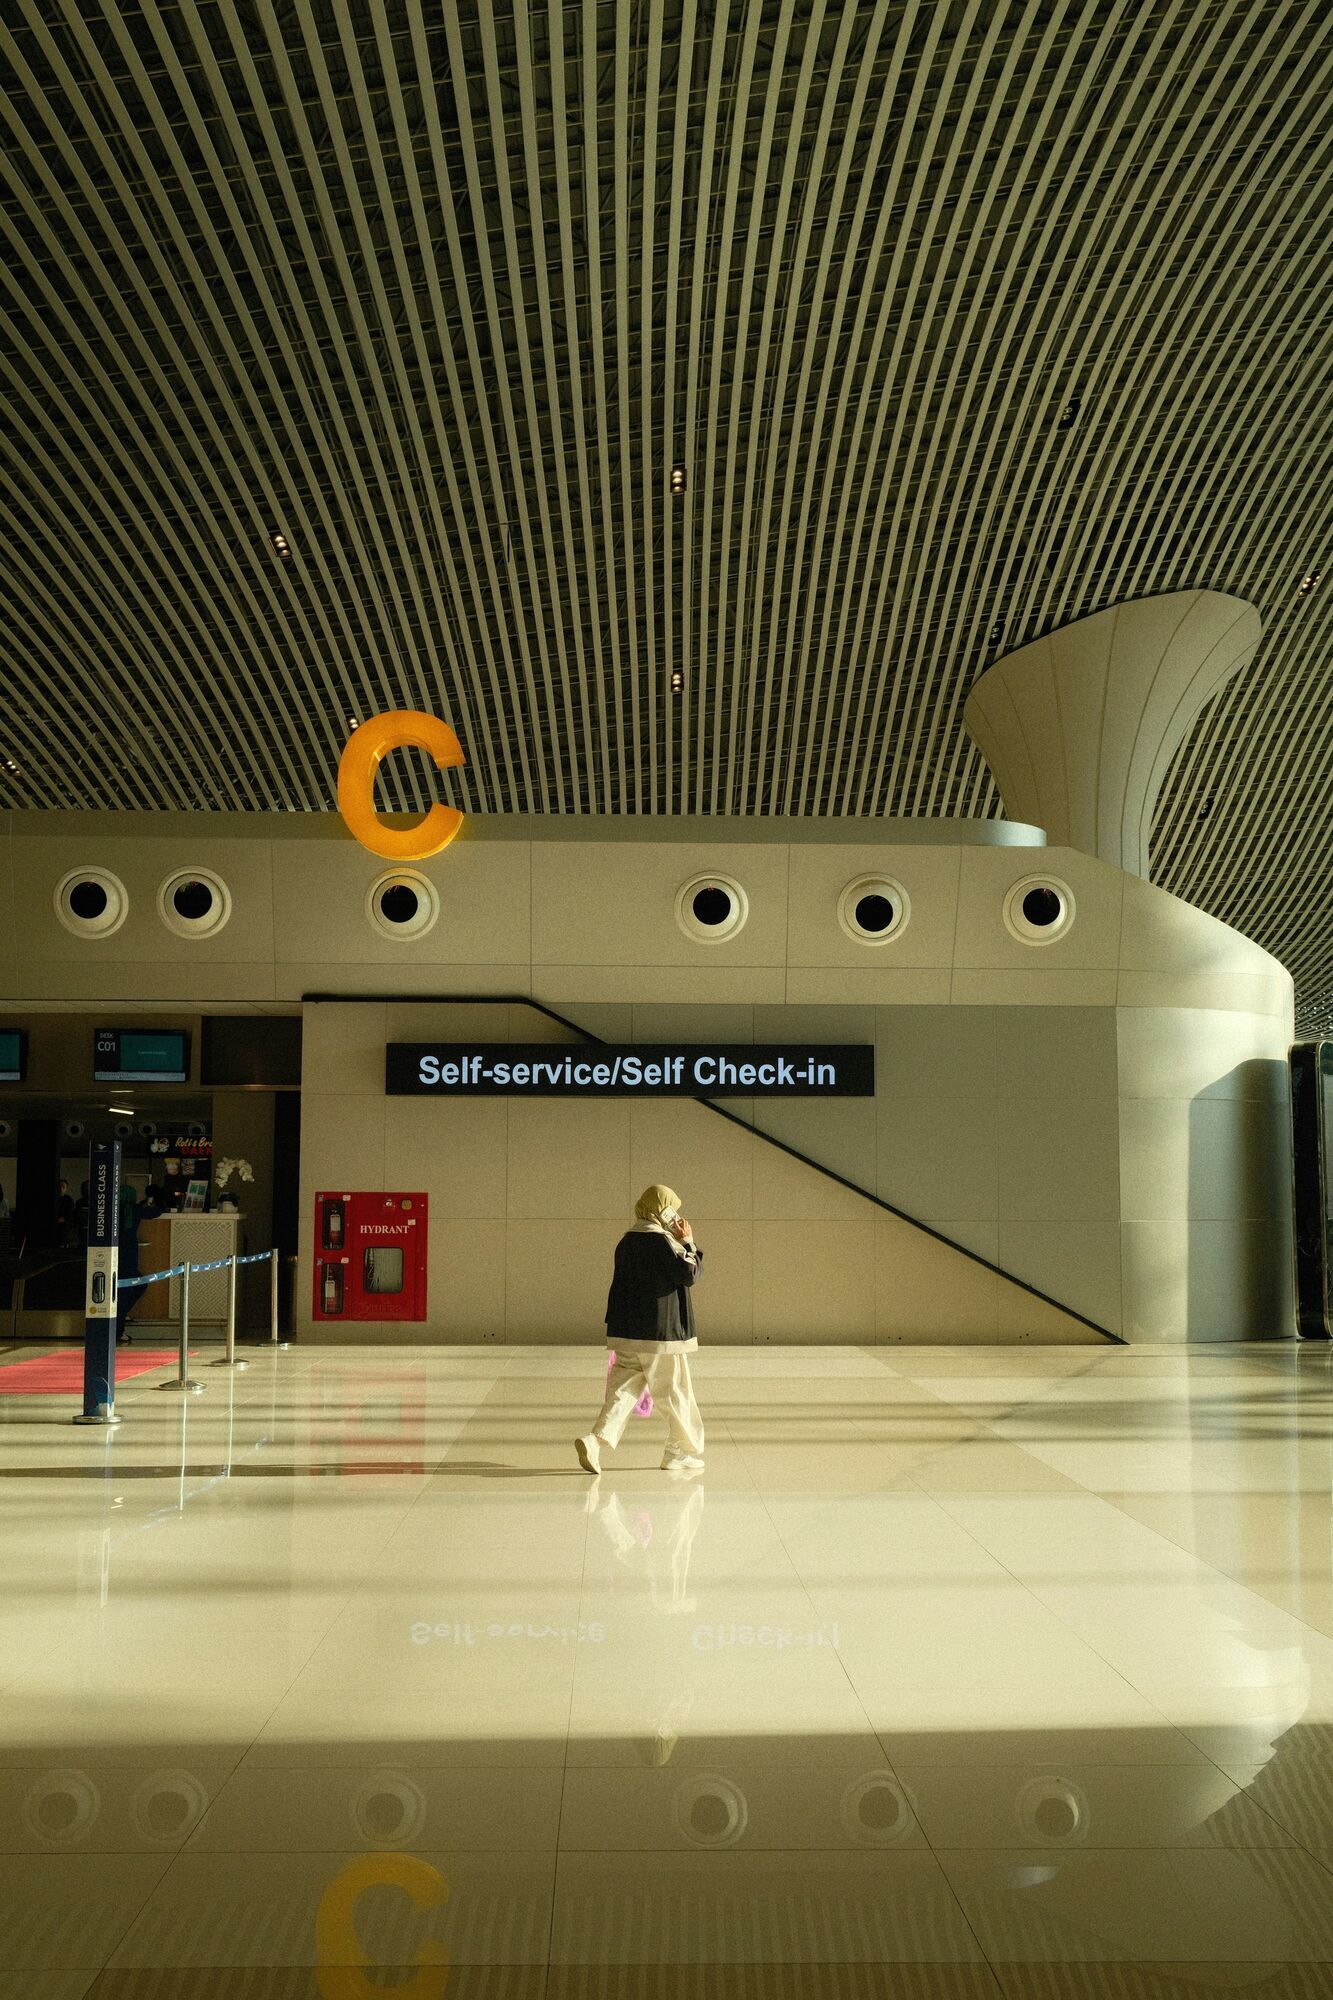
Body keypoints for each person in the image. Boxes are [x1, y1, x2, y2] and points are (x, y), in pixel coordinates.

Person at [576, 1184, 706, 1477]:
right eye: (673, 1209)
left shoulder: (626, 1241)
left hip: (626, 1330)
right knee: (675, 1391)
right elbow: (689, 1274)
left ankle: (594, 1441)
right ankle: (678, 1451)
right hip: (659, 1334)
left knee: (623, 1390)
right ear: (662, 1210)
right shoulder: (662, 1242)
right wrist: (688, 1242)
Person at [115, 1182, 139, 1345]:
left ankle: (121, 1316)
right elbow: (156, 1212)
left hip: (115, 1255)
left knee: (120, 1292)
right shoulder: (135, 1209)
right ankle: (119, 1326)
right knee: (133, 1287)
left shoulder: (113, 1210)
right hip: (128, 1255)